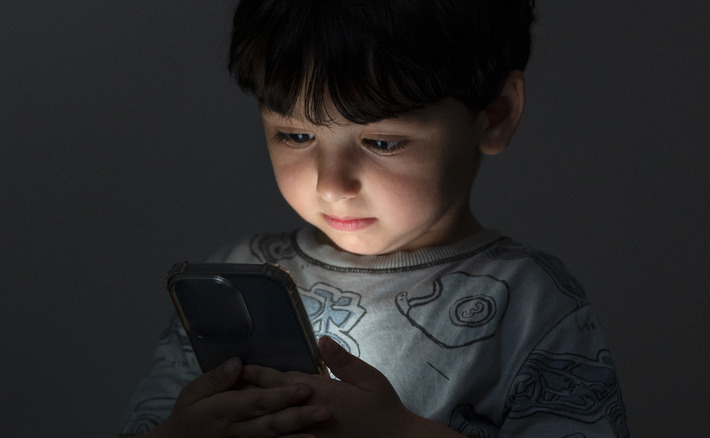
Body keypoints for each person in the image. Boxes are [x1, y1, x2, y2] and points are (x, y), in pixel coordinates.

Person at [119, 0, 629, 436]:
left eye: (381, 142)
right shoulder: (233, 276)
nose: (331, 184)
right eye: (296, 136)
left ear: (493, 114)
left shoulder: (531, 305)